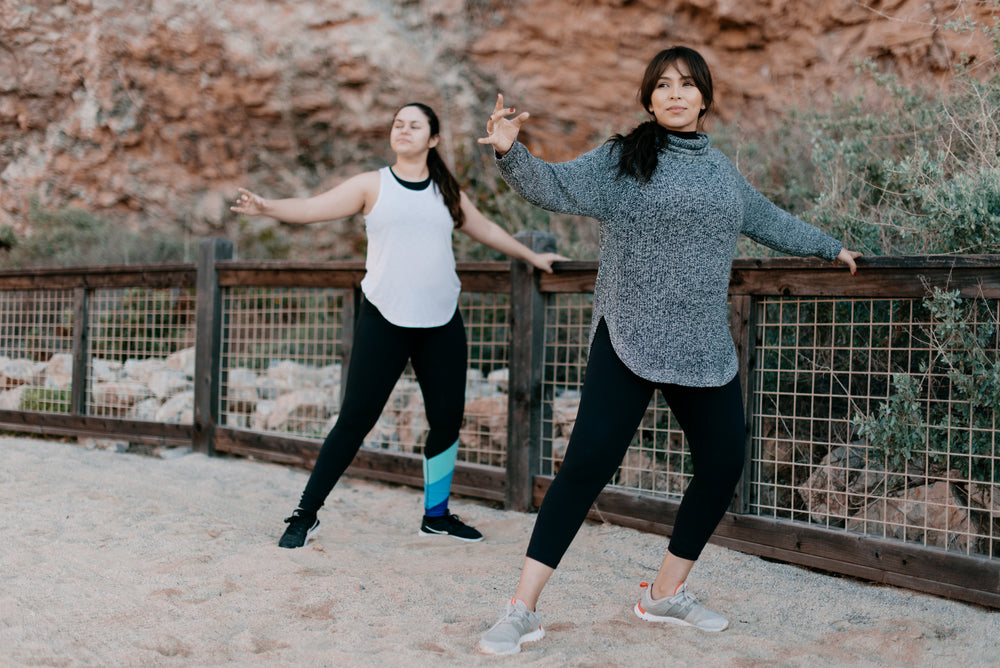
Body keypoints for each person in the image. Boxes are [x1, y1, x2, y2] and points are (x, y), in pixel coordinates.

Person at [474, 46, 862, 654]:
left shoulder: (721, 172)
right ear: (648, 99)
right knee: (586, 467)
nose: (674, 94)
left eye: (686, 85)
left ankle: (664, 592)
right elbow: (552, 185)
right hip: (627, 334)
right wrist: (508, 150)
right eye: (662, 86)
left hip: (702, 343)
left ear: (705, 97)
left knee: (723, 463)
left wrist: (829, 246)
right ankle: (521, 609)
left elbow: (766, 218)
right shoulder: (623, 159)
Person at [231, 102, 567, 549]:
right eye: (397, 124)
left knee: (447, 420)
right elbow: (313, 209)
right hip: (384, 318)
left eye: (415, 125)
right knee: (354, 420)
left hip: (441, 320)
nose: (403, 130)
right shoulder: (373, 185)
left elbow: (486, 230)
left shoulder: (446, 192)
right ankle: (305, 514)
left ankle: (437, 515)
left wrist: (532, 257)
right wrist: (267, 207)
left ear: (432, 139)